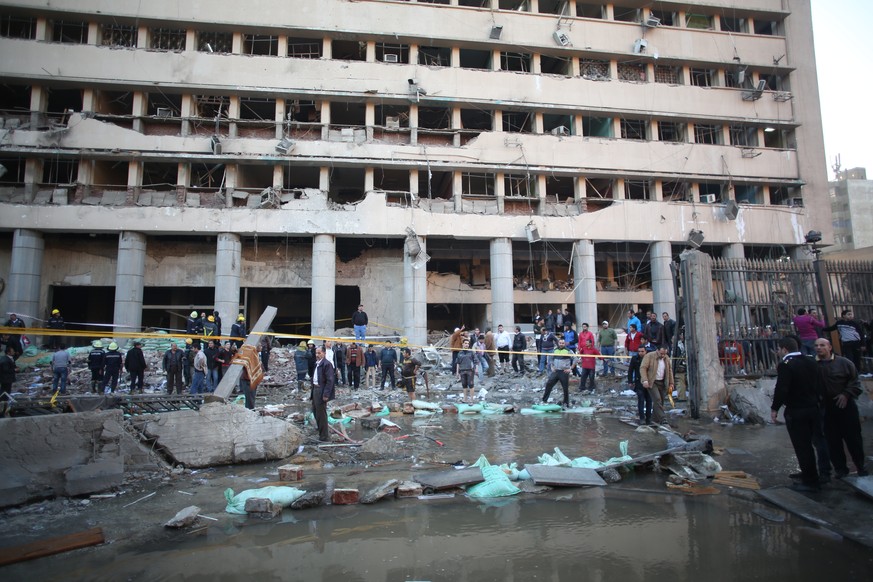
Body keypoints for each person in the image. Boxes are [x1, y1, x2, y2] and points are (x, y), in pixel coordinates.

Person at [770, 337, 826, 492]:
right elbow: (821, 384)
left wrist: (775, 408)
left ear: (784, 350)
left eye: (779, 349)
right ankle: (817, 473)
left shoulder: (786, 365)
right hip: (813, 408)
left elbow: (782, 389)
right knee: (817, 442)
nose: (779, 352)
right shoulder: (811, 361)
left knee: (802, 446)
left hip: (796, 410)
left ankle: (811, 481)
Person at [815, 338, 868, 478]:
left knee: (853, 439)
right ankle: (840, 470)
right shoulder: (813, 366)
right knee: (832, 441)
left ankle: (860, 467)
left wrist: (846, 394)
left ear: (830, 347)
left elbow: (856, 383)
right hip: (826, 407)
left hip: (846, 406)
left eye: (822, 345)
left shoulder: (844, 363)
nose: (818, 348)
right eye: (816, 345)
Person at [641, 346, 674, 424]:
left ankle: (654, 420)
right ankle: (663, 419)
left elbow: (670, 371)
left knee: (660, 402)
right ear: (657, 351)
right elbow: (643, 368)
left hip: (662, 382)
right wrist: (645, 380)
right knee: (657, 399)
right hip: (652, 382)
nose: (663, 355)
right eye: (661, 353)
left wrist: (671, 383)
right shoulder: (649, 356)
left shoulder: (667, 358)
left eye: (664, 354)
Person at [311, 346, 335, 441]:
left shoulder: (327, 364)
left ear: (324, 353)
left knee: (321, 414)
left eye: (319, 353)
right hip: (315, 389)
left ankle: (324, 436)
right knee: (315, 411)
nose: (317, 355)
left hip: (321, 390)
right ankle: (320, 430)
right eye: (316, 353)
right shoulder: (317, 364)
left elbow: (330, 380)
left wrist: (326, 394)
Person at [543, 338, 575, 408]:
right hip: (556, 371)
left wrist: (570, 368)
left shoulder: (568, 351)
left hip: (564, 372)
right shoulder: (555, 350)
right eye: (560, 343)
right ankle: (544, 400)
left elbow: (575, 359)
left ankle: (566, 403)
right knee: (549, 384)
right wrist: (552, 366)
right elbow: (550, 358)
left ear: (564, 344)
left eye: (562, 343)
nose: (561, 344)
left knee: (565, 388)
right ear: (558, 343)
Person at [628, 345, 651, 424]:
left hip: (649, 382)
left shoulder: (649, 358)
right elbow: (630, 370)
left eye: (642, 351)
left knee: (649, 400)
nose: (640, 353)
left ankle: (649, 418)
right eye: (639, 351)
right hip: (639, 382)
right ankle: (642, 418)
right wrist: (630, 381)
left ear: (646, 351)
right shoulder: (635, 359)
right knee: (641, 399)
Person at [456, 339, 476, 404]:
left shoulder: (471, 352)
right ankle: (465, 398)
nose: (467, 344)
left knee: (471, 384)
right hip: (462, 371)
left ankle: (472, 399)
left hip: (470, 371)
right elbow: (458, 363)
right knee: (464, 385)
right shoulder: (460, 353)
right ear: (463, 344)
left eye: (468, 343)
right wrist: (457, 372)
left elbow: (476, 361)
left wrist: (476, 369)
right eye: (465, 343)